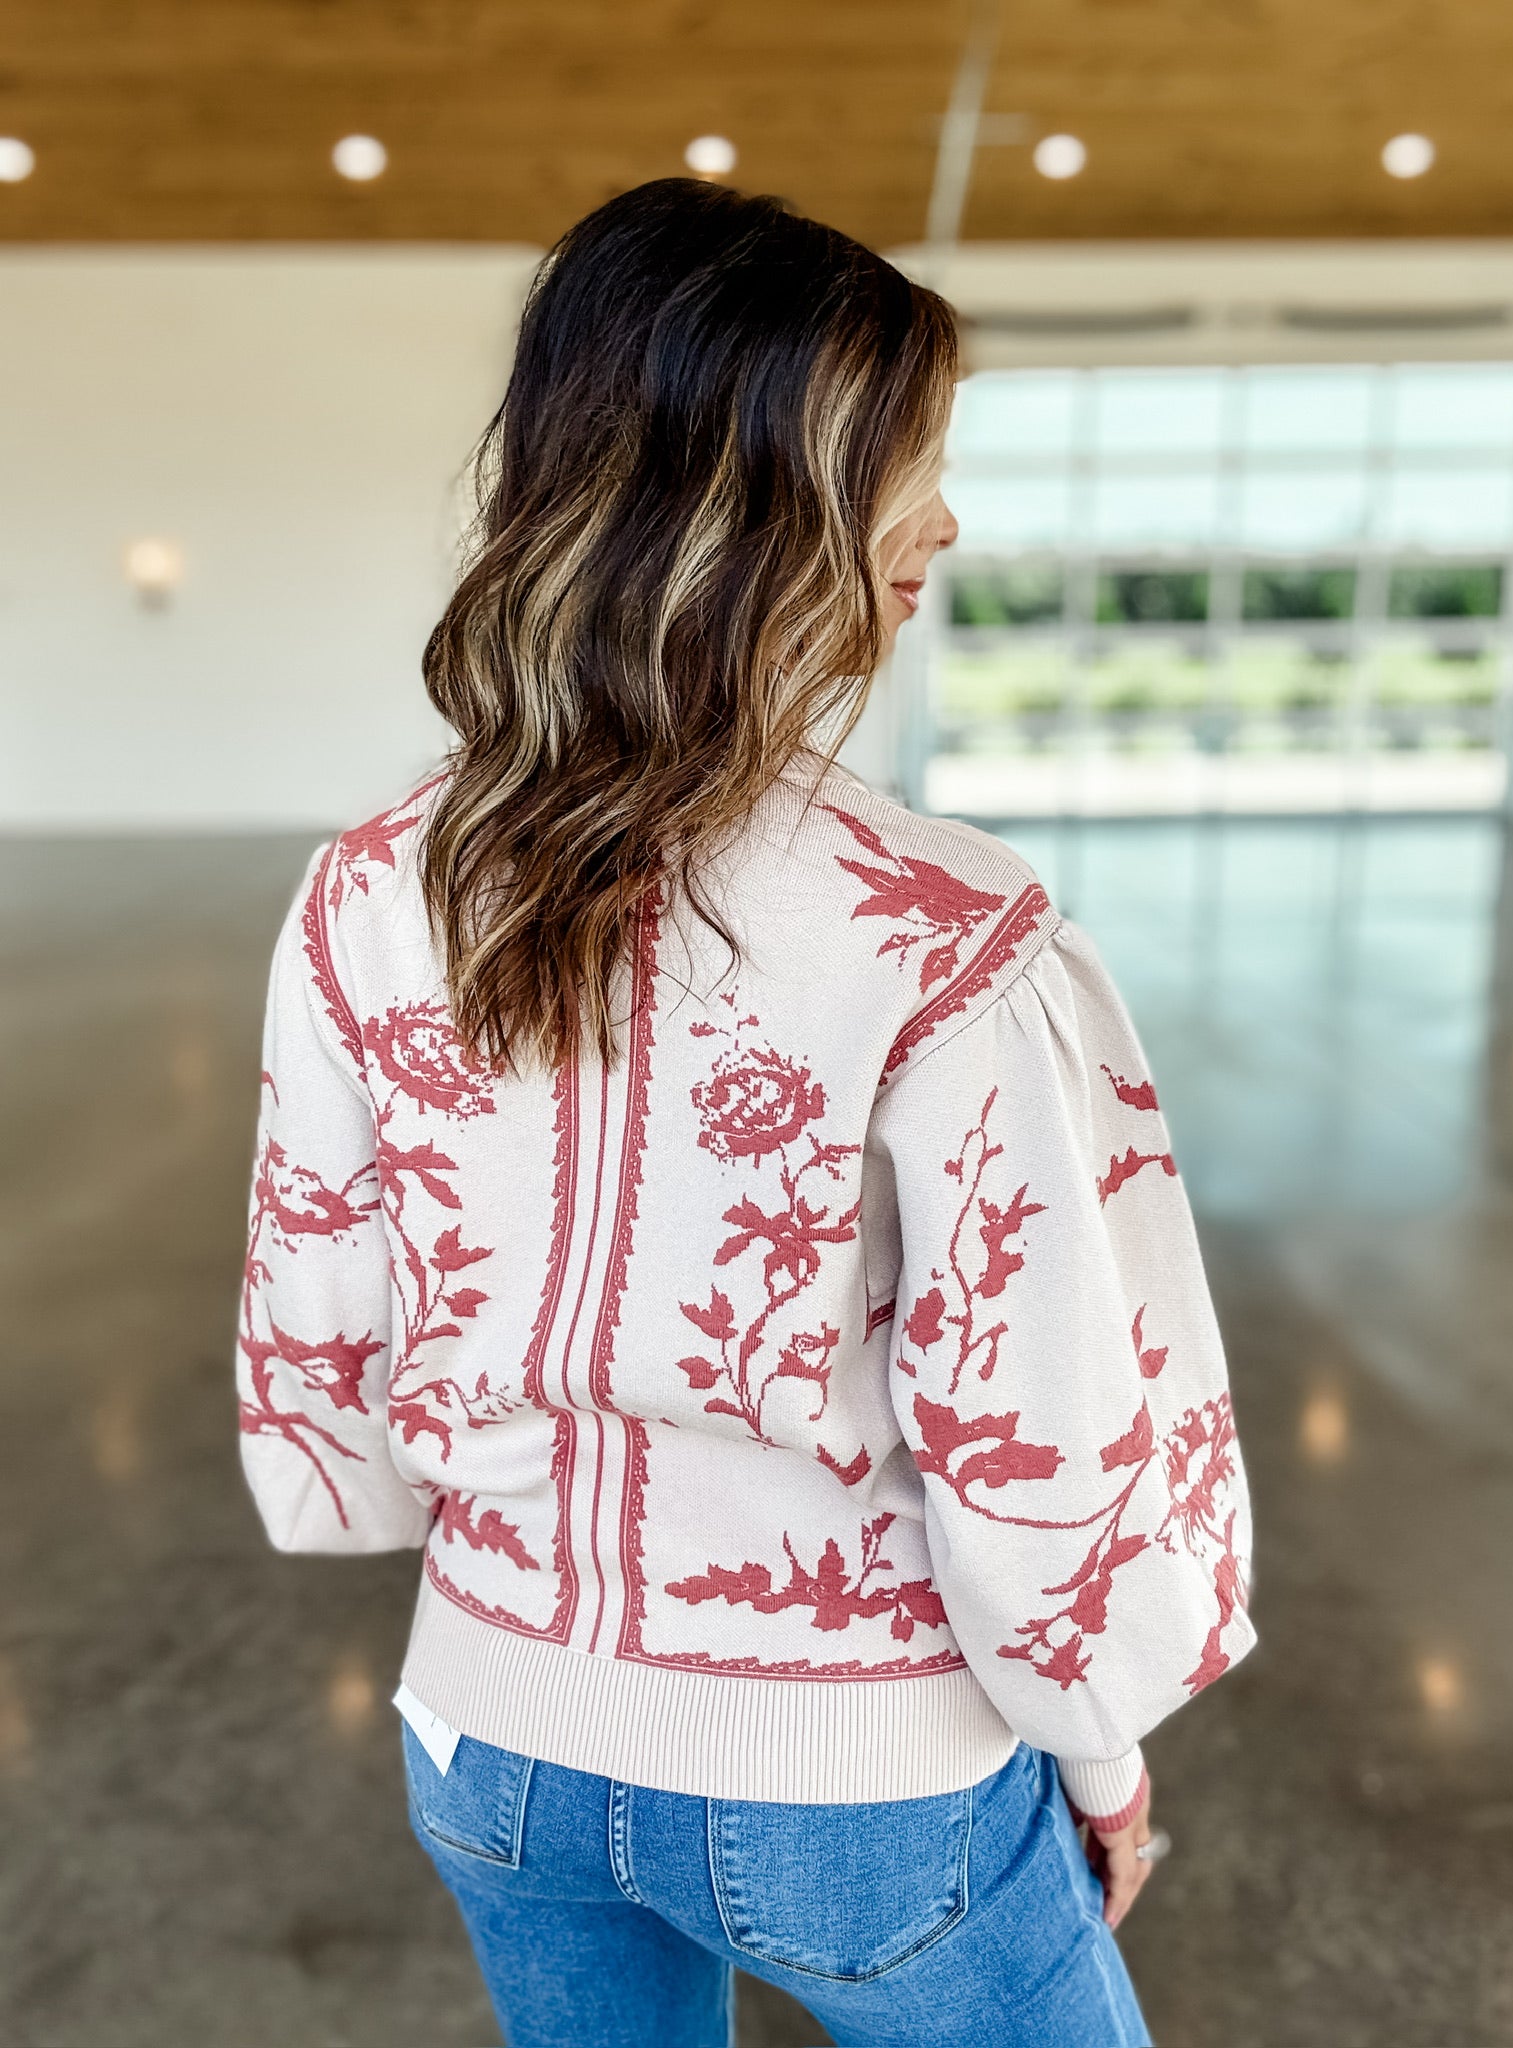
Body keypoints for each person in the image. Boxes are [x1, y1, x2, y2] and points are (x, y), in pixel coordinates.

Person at [237, 177, 1255, 2048]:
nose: (945, 518)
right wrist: (1100, 1751)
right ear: (766, 497)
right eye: (909, 461)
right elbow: (1040, 1419)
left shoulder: (365, 889)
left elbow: (321, 1298)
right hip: (864, 1791)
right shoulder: (950, 933)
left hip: (489, 1741)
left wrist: (384, 1505)